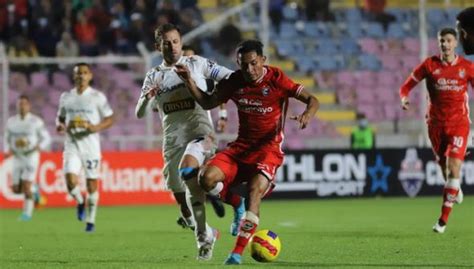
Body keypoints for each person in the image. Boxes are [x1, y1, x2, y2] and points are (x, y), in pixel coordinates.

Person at [175, 39, 320, 265]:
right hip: (241, 148)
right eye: (244, 65)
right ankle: (236, 203)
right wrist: (189, 81)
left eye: (254, 63)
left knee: (254, 192)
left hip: (268, 150)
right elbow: (208, 102)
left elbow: (312, 99)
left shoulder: (277, 79)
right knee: (205, 179)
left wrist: (306, 115)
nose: (250, 70)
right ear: (238, 63)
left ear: (263, 60)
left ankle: (236, 254)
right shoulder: (235, 81)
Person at [135, 23, 244, 260]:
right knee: (184, 205)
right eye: (166, 42)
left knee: (189, 172)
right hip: (173, 141)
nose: (172, 46)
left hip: (201, 134)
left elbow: (228, 77)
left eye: (175, 41)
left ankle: (202, 241)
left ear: (181, 43)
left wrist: (234, 97)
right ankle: (209, 229)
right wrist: (146, 98)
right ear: (157, 47)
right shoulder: (154, 76)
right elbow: (140, 113)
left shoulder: (196, 63)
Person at [399, 28, 473, 234]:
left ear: (455, 43)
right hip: (435, 125)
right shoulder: (429, 65)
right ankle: (454, 188)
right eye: (442, 41)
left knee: (454, 167)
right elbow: (405, 86)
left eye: (449, 41)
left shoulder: (467, 67)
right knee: (445, 170)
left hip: (459, 124)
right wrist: (404, 98)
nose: (445, 44)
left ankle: (442, 220)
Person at [56, 63, 115, 232]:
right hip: (72, 144)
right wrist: (60, 126)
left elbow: (110, 118)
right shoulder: (66, 97)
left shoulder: (97, 97)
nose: (81, 76)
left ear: (90, 76)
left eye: (84, 73)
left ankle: (90, 221)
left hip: (91, 146)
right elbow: (60, 118)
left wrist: (96, 127)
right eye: (78, 73)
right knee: (70, 182)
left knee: (91, 185)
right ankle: (80, 202)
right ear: (74, 77)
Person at [4, 95, 51, 221]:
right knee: (16, 190)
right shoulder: (11, 122)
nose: (22, 106)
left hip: (31, 156)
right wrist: (6, 149)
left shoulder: (36, 121)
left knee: (26, 186)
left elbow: (46, 138)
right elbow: (6, 138)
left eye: (24, 104)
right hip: (17, 157)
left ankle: (27, 214)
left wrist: (39, 147)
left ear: (29, 106)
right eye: (20, 104)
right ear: (17, 106)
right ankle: (35, 189)